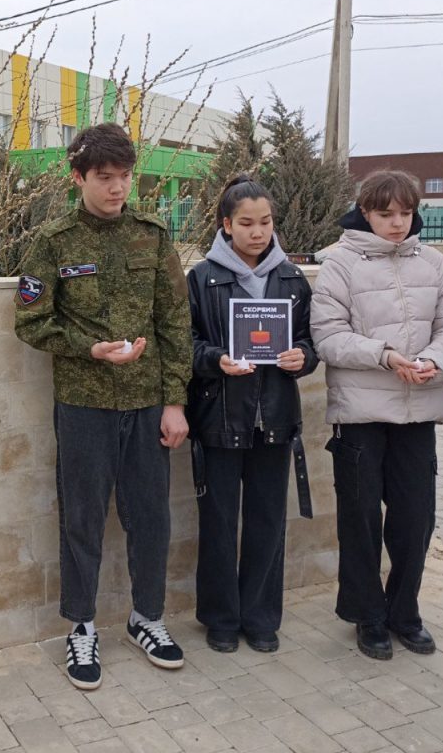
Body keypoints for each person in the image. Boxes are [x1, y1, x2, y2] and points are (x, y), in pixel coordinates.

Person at [14, 122, 193, 690]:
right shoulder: (54, 242)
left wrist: (175, 402)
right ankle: (82, 626)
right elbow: (31, 321)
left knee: (151, 518)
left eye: (124, 177)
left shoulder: (154, 236)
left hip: (146, 404)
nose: (117, 189)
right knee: (82, 518)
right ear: (78, 177)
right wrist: (87, 349)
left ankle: (147, 618)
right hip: (84, 404)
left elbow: (174, 323)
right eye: (104, 178)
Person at [311, 170, 443, 660]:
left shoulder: (438, 264)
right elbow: (329, 335)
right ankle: (367, 617)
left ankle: (405, 613)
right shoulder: (338, 265)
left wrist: (436, 362)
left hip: (419, 412)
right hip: (360, 415)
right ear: (365, 211)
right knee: (359, 522)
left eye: (404, 213)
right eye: (385, 214)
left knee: (415, 520)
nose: (397, 223)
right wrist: (384, 355)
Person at [186, 175, 318, 655]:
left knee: (268, 522)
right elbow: (187, 343)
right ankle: (221, 618)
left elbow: (309, 341)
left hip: (276, 421)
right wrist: (215, 359)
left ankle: (262, 617)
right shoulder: (201, 278)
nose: (257, 232)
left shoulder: (292, 279)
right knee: (218, 524)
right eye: (246, 223)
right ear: (226, 225)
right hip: (220, 419)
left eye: (265, 222)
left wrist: (303, 357)